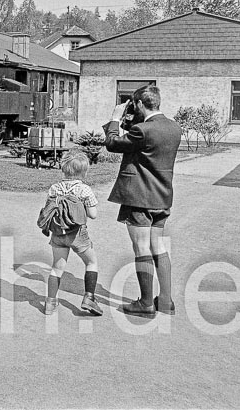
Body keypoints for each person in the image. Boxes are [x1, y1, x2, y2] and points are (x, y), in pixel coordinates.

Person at [104, 85, 182, 317]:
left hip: (139, 198)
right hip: (162, 197)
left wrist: (115, 118)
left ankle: (146, 303)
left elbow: (113, 143)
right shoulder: (173, 127)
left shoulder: (142, 130)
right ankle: (165, 302)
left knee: (141, 248)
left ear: (138, 104)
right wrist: (130, 120)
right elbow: (140, 140)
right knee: (158, 247)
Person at [41, 150, 102, 316]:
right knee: (91, 262)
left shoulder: (54, 189)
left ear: (63, 168)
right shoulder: (84, 190)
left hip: (58, 233)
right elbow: (93, 215)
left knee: (56, 268)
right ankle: (89, 297)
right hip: (78, 234)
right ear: (84, 171)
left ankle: (50, 303)